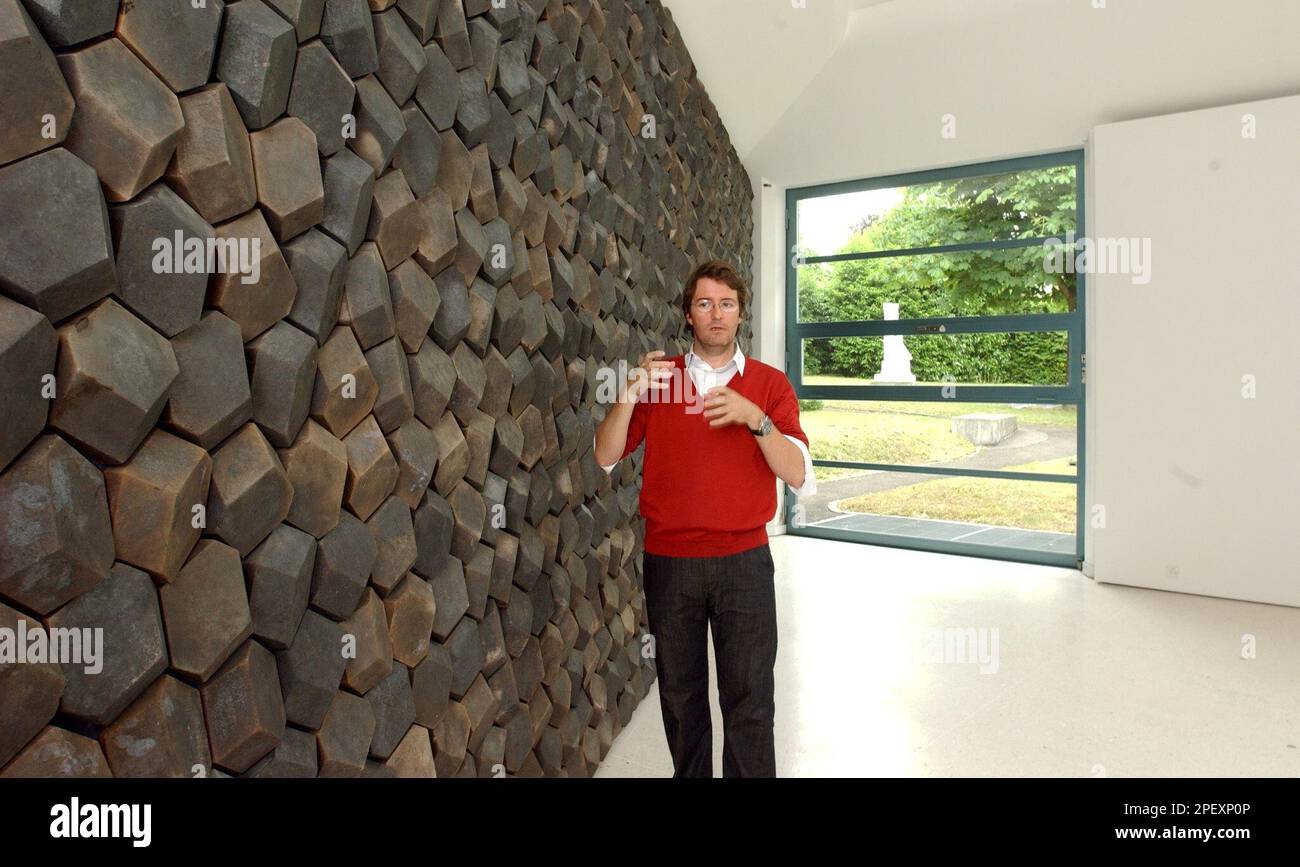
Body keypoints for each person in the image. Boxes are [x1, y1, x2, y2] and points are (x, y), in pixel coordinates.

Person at [593, 259, 816, 777]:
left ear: (740, 314)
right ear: (688, 315)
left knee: (750, 699)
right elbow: (605, 455)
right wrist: (630, 392)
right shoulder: (662, 380)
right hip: (671, 564)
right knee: (680, 696)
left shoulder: (768, 384)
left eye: (727, 304)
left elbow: (797, 473)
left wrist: (754, 419)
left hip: (744, 563)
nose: (716, 314)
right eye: (704, 303)